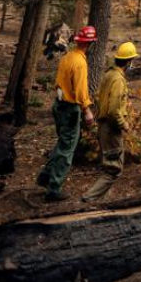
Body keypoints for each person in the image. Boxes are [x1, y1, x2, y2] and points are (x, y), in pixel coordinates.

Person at [37, 25, 97, 201]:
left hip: (59, 105)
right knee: (67, 148)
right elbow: (80, 90)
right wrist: (87, 110)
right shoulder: (80, 63)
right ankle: (53, 189)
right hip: (70, 108)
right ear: (90, 44)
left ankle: (46, 176)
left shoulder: (68, 57)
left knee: (63, 142)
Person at [82, 40, 138, 201]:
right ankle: (90, 198)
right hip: (111, 127)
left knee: (113, 163)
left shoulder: (109, 74)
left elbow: (100, 98)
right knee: (113, 169)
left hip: (104, 125)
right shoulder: (118, 80)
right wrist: (124, 125)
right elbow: (114, 110)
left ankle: (104, 198)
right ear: (128, 61)